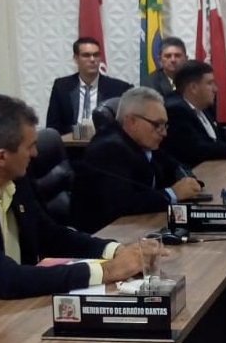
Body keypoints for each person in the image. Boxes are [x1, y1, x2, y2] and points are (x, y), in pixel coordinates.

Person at [0, 95, 143, 331]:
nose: (35, 153)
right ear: (1, 157)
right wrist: (107, 270)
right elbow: (4, 278)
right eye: (29, 147)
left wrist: (115, 250)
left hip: (8, 311)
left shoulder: (12, 176)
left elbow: (49, 235)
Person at [70, 87, 202, 233]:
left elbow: (174, 165)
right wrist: (173, 193)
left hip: (136, 225)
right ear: (132, 121)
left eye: (165, 125)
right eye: (157, 125)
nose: (164, 133)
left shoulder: (144, 142)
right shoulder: (109, 149)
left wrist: (186, 177)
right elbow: (123, 203)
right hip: (104, 233)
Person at [46, 37, 133, 134]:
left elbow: (125, 127)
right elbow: (52, 128)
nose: (92, 59)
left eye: (96, 55)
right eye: (86, 55)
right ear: (76, 58)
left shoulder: (119, 88)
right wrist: (82, 133)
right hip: (69, 142)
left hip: (104, 141)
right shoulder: (61, 87)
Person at [162, 60, 226, 167]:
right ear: (193, 88)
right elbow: (195, 149)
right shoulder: (176, 109)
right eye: (209, 83)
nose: (215, 89)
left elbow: (218, 132)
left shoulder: (202, 105)